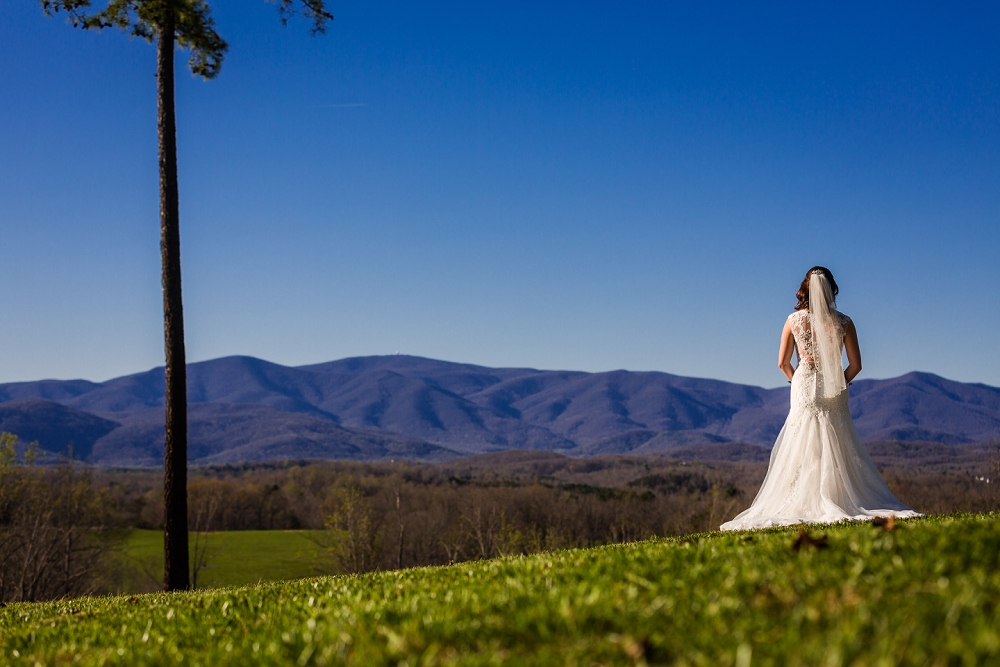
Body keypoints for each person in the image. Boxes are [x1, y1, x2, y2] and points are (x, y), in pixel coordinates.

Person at [720, 266, 920, 531]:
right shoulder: (845, 322)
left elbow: (782, 362)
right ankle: (839, 495)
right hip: (833, 386)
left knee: (801, 439)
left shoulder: (793, 320)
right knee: (838, 438)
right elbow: (856, 364)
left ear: (805, 289)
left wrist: (796, 379)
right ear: (831, 289)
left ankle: (802, 497)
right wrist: (840, 380)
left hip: (803, 385)